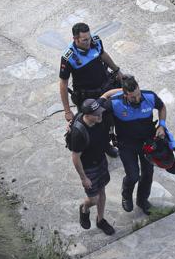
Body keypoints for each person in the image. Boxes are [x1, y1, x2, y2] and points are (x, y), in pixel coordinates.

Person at [101, 76, 166, 215]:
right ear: (125, 95)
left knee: (148, 174)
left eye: (138, 95)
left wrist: (162, 125)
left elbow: (162, 107)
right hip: (126, 145)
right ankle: (126, 194)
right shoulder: (115, 103)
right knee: (133, 175)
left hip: (147, 143)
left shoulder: (149, 96)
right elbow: (95, 111)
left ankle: (142, 200)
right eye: (132, 97)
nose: (137, 99)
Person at [59, 22, 121, 156]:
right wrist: (67, 111)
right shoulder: (68, 57)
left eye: (89, 37)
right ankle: (97, 149)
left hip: (105, 89)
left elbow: (103, 54)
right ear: (75, 39)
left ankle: (108, 143)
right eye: (84, 40)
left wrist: (117, 71)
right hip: (87, 97)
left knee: (109, 119)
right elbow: (63, 84)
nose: (88, 41)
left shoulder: (96, 41)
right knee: (92, 125)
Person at [69, 98, 118, 235]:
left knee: (102, 192)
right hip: (88, 167)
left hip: (101, 160)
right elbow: (75, 157)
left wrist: (122, 84)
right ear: (87, 115)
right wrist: (84, 178)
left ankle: (100, 220)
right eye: (96, 114)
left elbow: (106, 95)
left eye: (100, 112)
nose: (100, 115)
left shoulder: (98, 118)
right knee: (93, 199)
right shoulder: (78, 133)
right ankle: (84, 208)